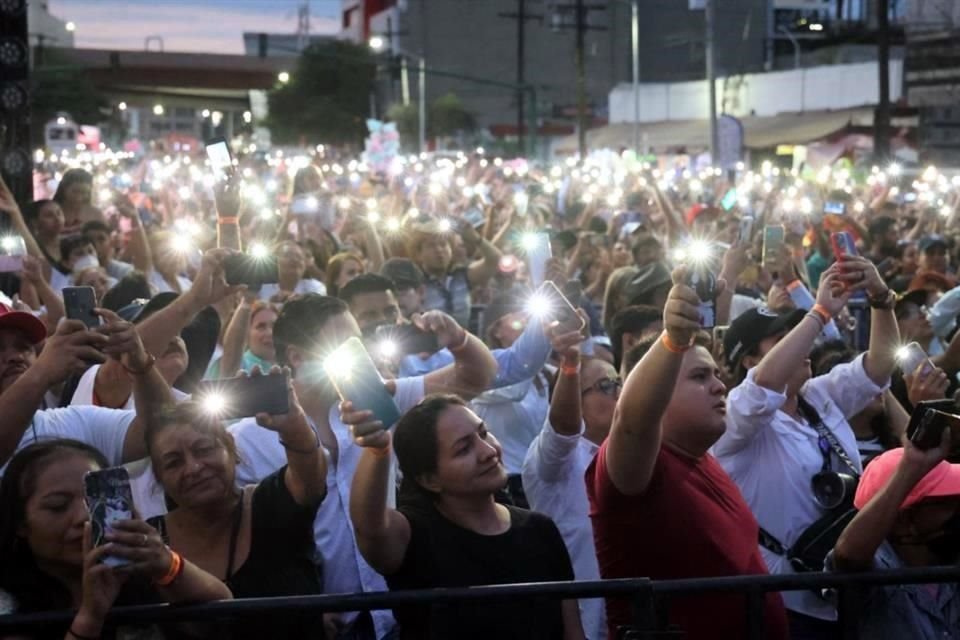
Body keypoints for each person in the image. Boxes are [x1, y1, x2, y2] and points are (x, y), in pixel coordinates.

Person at [227, 294, 497, 639]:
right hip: (317, 621)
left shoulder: (379, 399)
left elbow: (476, 376)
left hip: (402, 607)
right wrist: (296, 611)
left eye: (359, 342)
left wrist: (457, 337)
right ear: (296, 356)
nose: (359, 353)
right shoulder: (247, 440)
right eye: (343, 344)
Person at [586, 267, 788, 640]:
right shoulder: (633, 470)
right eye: (699, 377)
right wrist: (673, 341)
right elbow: (631, 420)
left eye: (715, 374)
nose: (719, 386)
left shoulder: (703, 458)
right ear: (656, 394)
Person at [715, 257, 899, 637]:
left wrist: (881, 298)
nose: (803, 341)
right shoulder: (735, 417)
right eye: (783, 338)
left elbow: (879, 367)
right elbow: (763, 384)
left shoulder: (818, 395)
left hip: (850, 586)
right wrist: (816, 313)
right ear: (749, 359)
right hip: (784, 599)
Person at [348, 394, 584, 640]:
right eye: (463, 449)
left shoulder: (540, 529)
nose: (488, 451)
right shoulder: (415, 538)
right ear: (430, 479)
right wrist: (378, 449)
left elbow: (572, 631)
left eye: (483, 433)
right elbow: (370, 526)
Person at [144, 380, 327, 640]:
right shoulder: (149, 544)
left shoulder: (271, 502)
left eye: (204, 449)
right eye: (174, 462)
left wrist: (294, 425)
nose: (194, 468)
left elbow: (310, 478)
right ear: (158, 477)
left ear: (231, 449)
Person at [0, 439, 232, 639]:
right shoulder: (9, 605)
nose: (84, 517)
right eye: (58, 506)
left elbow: (225, 616)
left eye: (95, 500)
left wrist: (167, 565)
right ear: (21, 523)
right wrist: (90, 617)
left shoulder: (138, 574)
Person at [0, 302, 170, 475]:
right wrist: (41, 373)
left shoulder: (71, 423)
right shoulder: (41, 374)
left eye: (24, 347)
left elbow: (161, 432)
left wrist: (140, 363)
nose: (16, 357)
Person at [522, 343, 620, 640]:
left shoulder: (636, 453)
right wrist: (570, 364)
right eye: (605, 386)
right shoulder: (554, 461)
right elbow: (563, 431)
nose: (619, 392)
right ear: (573, 401)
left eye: (619, 383)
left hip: (641, 614)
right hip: (583, 623)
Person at [830, 441, 960, 638]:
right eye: (946, 502)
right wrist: (910, 468)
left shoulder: (947, 556)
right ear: (902, 519)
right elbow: (848, 557)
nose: (956, 510)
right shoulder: (878, 567)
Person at [409, 221, 502, 327]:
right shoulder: (414, 282)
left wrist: (476, 238)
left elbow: (495, 260)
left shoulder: (461, 275)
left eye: (443, 244)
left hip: (464, 341)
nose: (439, 250)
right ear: (418, 254)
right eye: (431, 246)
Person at [208, 296, 278, 379]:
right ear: (246, 333)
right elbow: (231, 357)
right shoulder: (241, 363)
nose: (270, 333)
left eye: (275, 326)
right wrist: (246, 303)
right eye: (261, 326)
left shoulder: (291, 364)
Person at [258, 240, 326, 303]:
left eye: (299, 257)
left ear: (305, 266)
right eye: (288, 255)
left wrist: (294, 299)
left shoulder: (316, 287)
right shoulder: (260, 287)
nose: (295, 260)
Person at [53, 169, 104, 234]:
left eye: (84, 193)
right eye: (75, 192)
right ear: (64, 189)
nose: (79, 198)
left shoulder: (95, 214)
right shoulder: (51, 211)